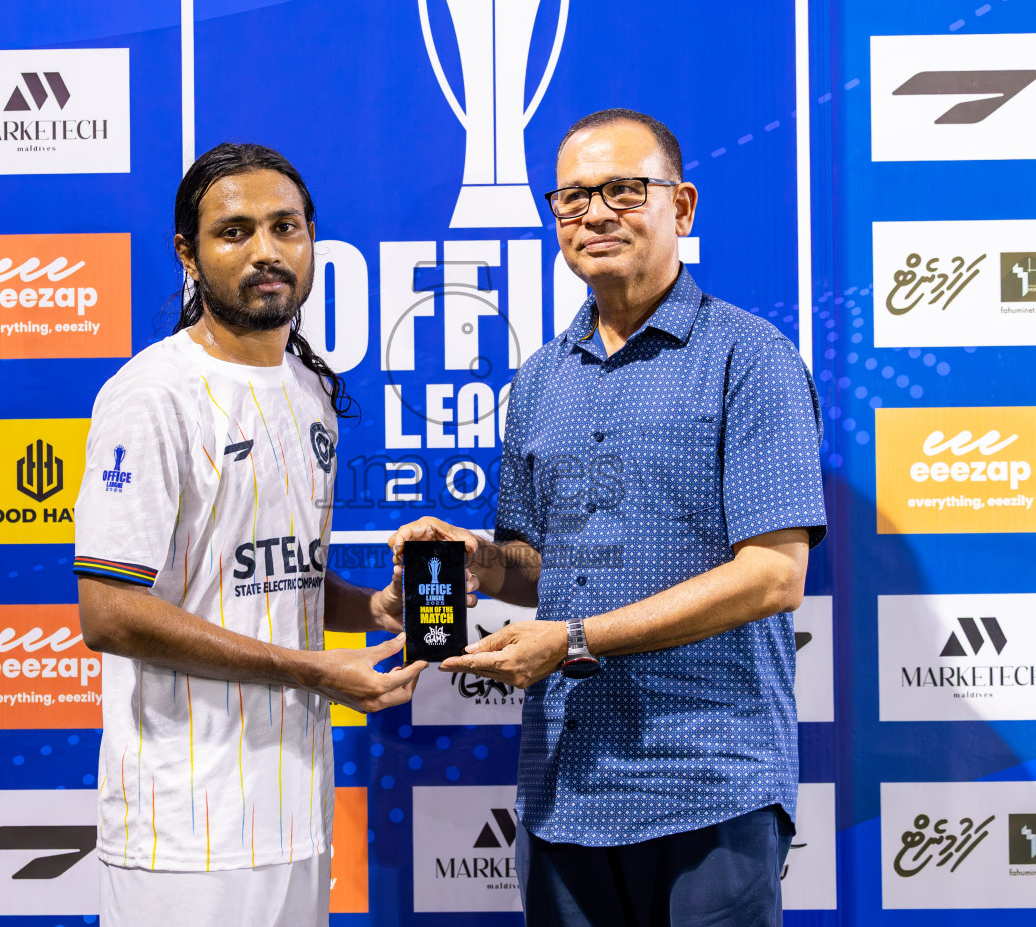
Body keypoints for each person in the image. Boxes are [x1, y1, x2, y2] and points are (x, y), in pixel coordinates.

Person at [390, 109, 826, 926]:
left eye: (625, 190)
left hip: (709, 780)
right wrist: (478, 561)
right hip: (567, 784)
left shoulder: (749, 355)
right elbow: (537, 566)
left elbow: (774, 576)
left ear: (682, 207)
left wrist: (575, 639)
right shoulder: (540, 379)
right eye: (573, 198)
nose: (595, 214)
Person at [74, 142, 425, 927]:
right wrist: (311, 671)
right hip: (182, 825)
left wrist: (373, 609)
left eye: (285, 227)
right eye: (234, 232)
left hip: (295, 806)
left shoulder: (309, 387)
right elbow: (109, 613)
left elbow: (267, 575)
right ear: (187, 254)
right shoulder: (150, 395)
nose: (267, 251)